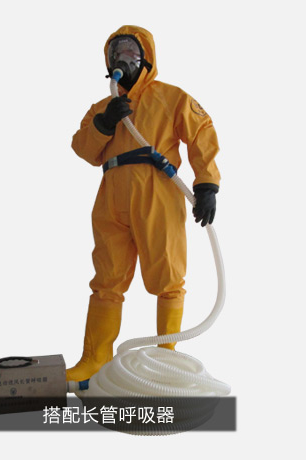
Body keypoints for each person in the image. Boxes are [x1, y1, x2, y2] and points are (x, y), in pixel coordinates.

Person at [66, 25, 221, 383]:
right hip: (111, 197)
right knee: (107, 280)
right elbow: (84, 150)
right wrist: (104, 124)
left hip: (158, 193)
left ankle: (166, 361)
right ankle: (94, 359)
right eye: (116, 53)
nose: (123, 59)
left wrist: (207, 183)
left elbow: (202, 133)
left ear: (146, 58)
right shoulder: (102, 109)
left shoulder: (171, 97)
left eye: (131, 52)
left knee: (167, 276)